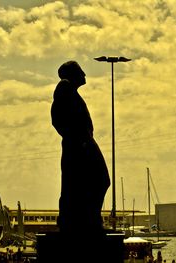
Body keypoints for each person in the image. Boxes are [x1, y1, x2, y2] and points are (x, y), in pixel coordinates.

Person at [51, 61, 110, 237]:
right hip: (79, 145)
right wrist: (78, 139)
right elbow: (57, 119)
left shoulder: (70, 91)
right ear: (73, 74)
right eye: (81, 71)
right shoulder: (64, 88)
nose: (85, 74)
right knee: (97, 181)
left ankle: (88, 219)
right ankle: (86, 220)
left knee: (82, 184)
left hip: (82, 143)